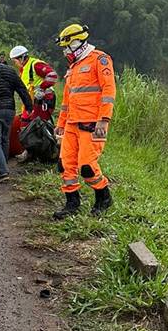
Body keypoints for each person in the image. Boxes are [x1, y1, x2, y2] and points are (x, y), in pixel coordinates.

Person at [53, 23, 115, 219]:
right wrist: (60, 124)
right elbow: (66, 100)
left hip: (92, 124)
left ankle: (103, 197)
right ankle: (72, 203)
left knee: (87, 166)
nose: (65, 52)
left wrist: (104, 120)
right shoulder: (73, 68)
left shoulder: (100, 59)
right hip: (71, 123)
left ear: (77, 43)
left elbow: (108, 91)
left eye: (67, 47)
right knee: (65, 164)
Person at [0, 51, 33, 182]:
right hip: (10, 110)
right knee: (5, 139)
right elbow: (22, 89)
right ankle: (3, 167)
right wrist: (29, 106)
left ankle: (2, 172)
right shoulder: (10, 70)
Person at [9, 45, 58, 122]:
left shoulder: (35, 64)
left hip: (43, 100)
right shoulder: (24, 69)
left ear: (21, 58)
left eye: (15, 61)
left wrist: (41, 88)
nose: (15, 64)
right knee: (25, 122)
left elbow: (52, 76)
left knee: (35, 124)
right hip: (32, 101)